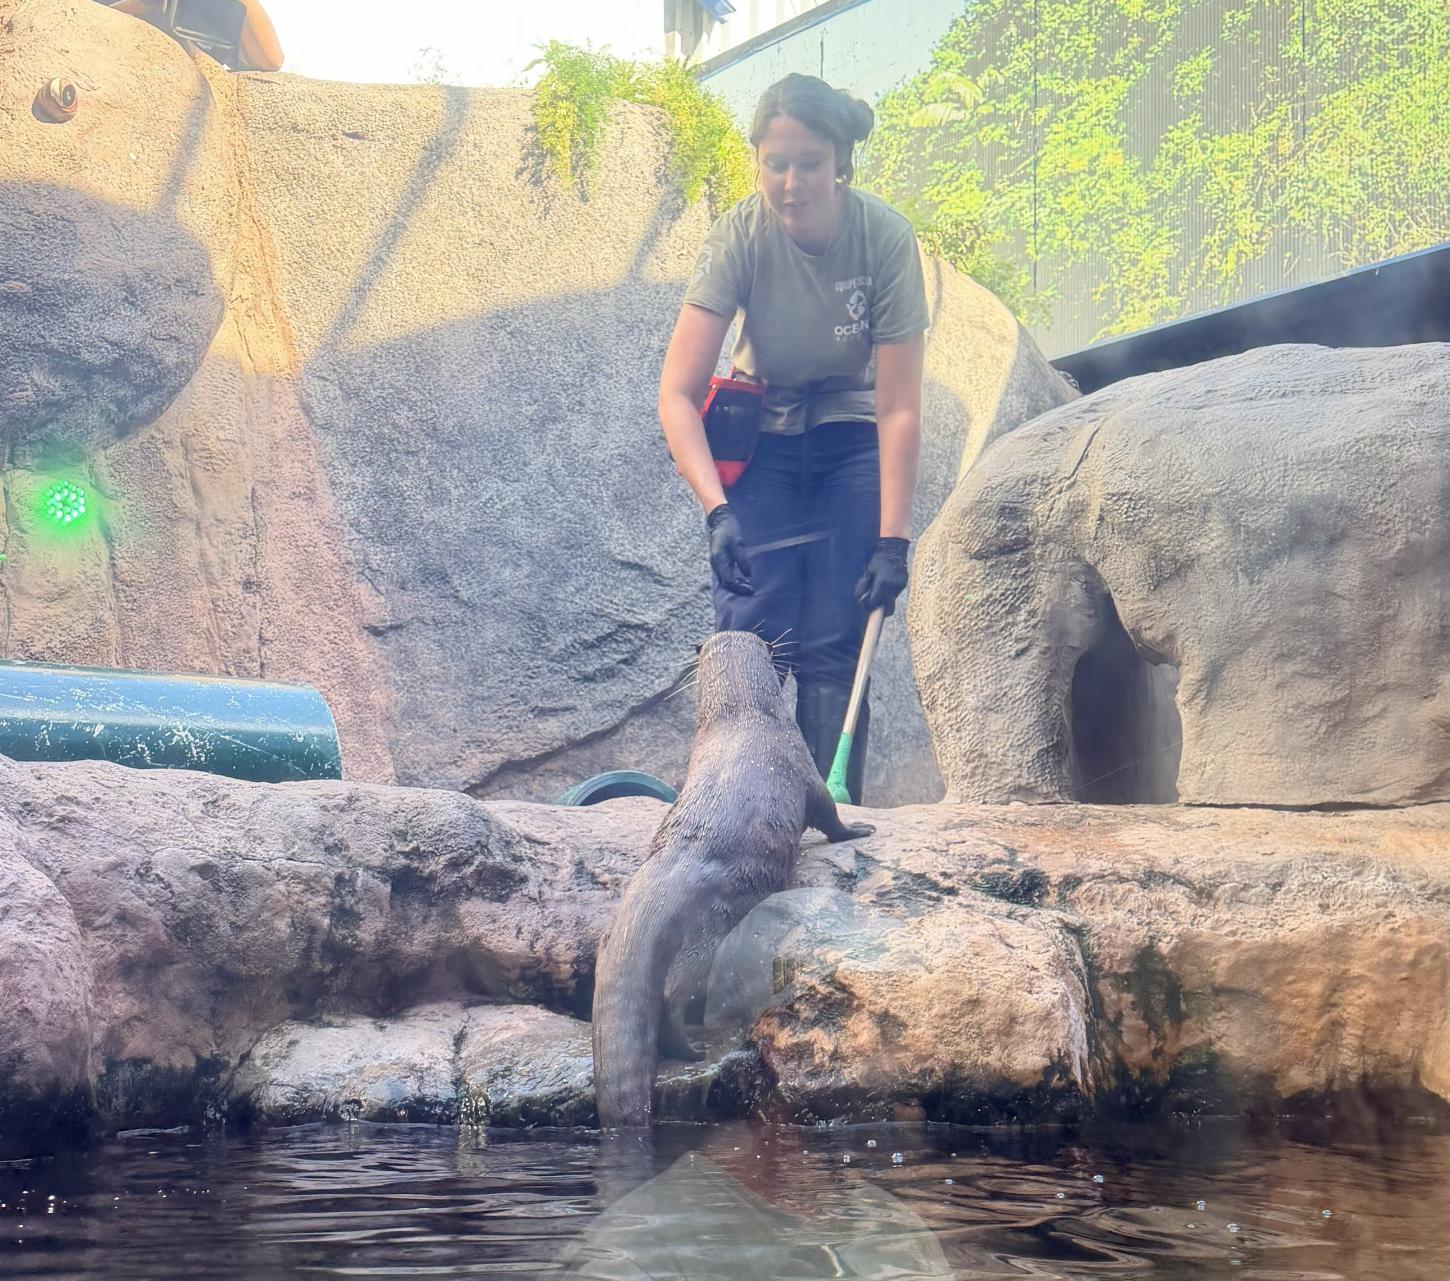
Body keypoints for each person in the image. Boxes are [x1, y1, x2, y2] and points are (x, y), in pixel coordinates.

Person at [657, 72, 929, 805]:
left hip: (850, 430)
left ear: (840, 160)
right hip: (764, 435)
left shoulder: (883, 238)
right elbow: (678, 394)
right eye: (774, 162)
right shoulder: (740, 236)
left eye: (808, 162)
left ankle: (829, 819)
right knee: (750, 637)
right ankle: (734, 809)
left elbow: (899, 405)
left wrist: (892, 542)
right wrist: (717, 512)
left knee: (839, 639)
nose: (790, 182)